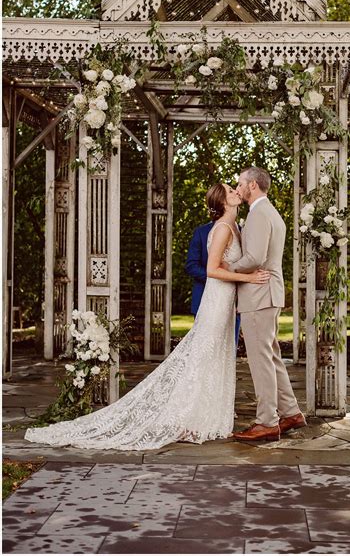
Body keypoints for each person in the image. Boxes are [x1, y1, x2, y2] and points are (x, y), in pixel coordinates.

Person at [24, 183, 269, 451]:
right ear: (222, 201)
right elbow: (211, 270)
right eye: (230, 190)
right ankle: (185, 417)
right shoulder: (222, 228)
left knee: (218, 356)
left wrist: (237, 274)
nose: (236, 191)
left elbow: (225, 262)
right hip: (215, 300)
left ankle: (207, 415)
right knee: (203, 356)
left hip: (226, 301)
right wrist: (247, 277)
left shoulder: (234, 226)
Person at [229, 166, 306, 442]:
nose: (237, 187)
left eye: (240, 183)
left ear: (252, 185)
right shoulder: (269, 212)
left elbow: (255, 257)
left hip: (259, 294)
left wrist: (226, 267)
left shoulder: (260, 213)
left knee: (260, 360)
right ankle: (290, 412)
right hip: (267, 294)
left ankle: (267, 422)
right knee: (271, 357)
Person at [186, 220, 241, 345]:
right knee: (204, 347)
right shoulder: (201, 232)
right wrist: (218, 276)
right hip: (205, 299)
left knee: (229, 349)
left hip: (234, 300)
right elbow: (191, 265)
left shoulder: (241, 231)